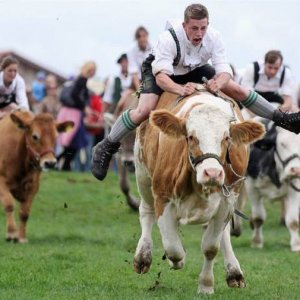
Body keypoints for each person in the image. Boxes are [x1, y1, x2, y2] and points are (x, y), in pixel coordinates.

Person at [91, 3, 300, 181]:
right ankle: (107, 145)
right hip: (163, 71)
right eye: (194, 28)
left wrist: (219, 83)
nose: (199, 34)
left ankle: (282, 119)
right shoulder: (168, 39)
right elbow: (162, 77)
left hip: (194, 68)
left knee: (235, 88)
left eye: (203, 28)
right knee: (144, 109)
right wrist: (180, 89)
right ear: (184, 26)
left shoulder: (214, 37)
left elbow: (224, 70)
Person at [57, 61, 96, 171]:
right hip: (74, 114)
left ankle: (64, 164)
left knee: (74, 143)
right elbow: (75, 94)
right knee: (74, 142)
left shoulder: (81, 79)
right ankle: (61, 162)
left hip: (72, 113)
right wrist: (84, 107)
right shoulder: (82, 79)